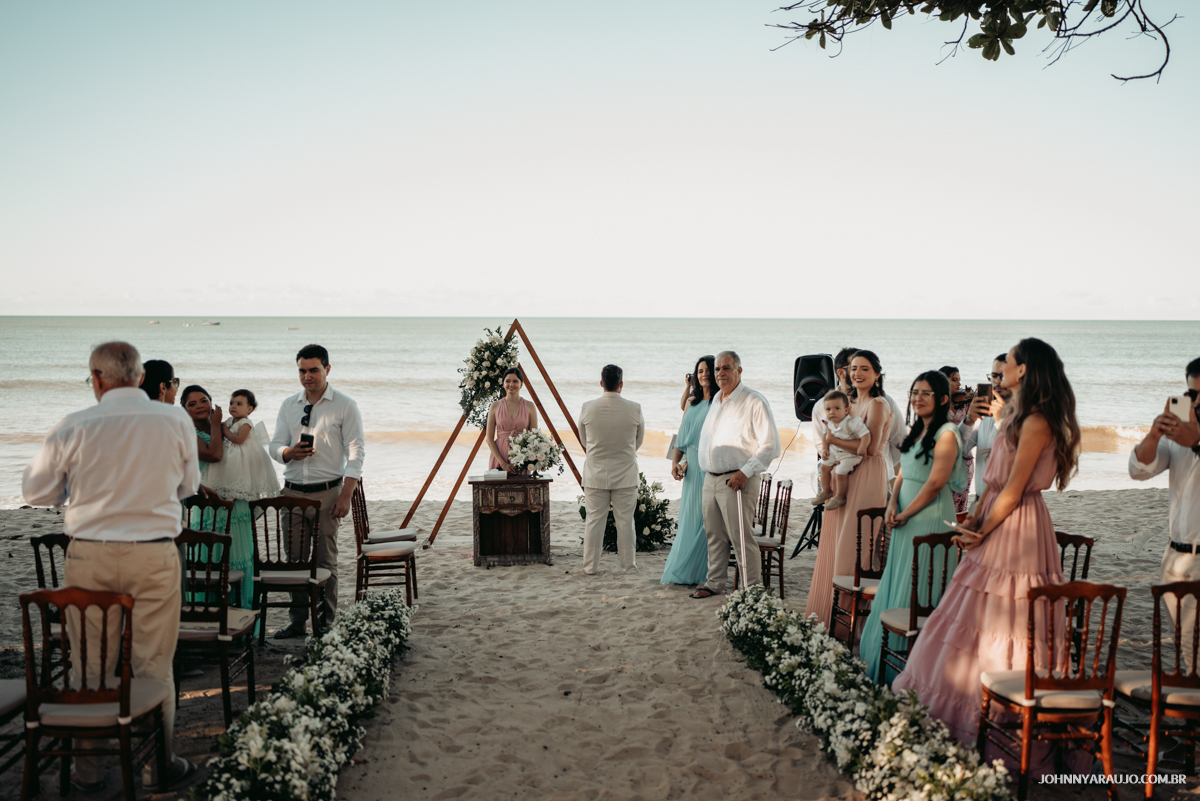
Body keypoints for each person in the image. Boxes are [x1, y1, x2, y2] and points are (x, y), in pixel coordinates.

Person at [893, 338, 1082, 774]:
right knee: (969, 617)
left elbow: (1013, 491)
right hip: (995, 516)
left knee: (1009, 620)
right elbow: (994, 486)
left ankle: (998, 723)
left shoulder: (1037, 421)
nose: (1001, 370)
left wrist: (982, 531)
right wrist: (973, 522)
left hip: (1018, 528)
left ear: (1024, 370)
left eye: (1008, 363)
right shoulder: (1014, 415)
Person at [22, 342, 201, 791]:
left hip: (91, 555)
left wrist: (76, 490)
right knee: (154, 665)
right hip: (154, 554)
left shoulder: (74, 424)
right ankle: (156, 767)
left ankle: (88, 772)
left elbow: (36, 492)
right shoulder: (175, 419)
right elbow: (188, 485)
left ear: (98, 379)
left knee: (89, 664)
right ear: (139, 378)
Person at [860, 370, 966, 684]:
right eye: (914, 392)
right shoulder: (916, 430)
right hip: (904, 517)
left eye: (925, 393)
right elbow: (903, 472)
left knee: (918, 585)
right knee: (898, 578)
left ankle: (913, 669)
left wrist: (906, 513)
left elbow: (935, 483)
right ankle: (885, 661)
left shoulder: (947, 433)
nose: (917, 398)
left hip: (929, 517)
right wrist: (893, 504)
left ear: (943, 399)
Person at [269, 344, 365, 638]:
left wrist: (346, 494)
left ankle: (326, 624)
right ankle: (298, 622)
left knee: (325, 561)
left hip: (328, 494)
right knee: (295, 561)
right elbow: (275, 445)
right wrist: (288, 453)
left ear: (327, 369)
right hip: (292, 493)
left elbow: (356, 452)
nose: (307, 376)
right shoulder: (289, 404)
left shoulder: (345, 405)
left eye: (313, 370)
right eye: (302, 371)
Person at [804, 350, 892, 625]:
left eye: (865, 368)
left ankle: (846, 624)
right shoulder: (848, 403)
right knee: (832, 541)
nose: (858, 373)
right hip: (844, 476)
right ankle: (824, 614)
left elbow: (871, 449)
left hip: (867, 476)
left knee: (852, 547)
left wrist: (833, 441)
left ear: (877, 374)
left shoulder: (878, 404)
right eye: (854, 368)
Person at [690, 351, 781, 599]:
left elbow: (770, 445)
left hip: (737, 480)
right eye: (717, 369)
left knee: (741, 537)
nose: (720, 373)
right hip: (710, 479)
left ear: (739, 371)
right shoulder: (716, 399)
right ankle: (715, 583)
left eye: (726, 368)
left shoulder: (754, 401)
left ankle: (751, 590)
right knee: (714, 535)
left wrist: (744, 472)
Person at [1129, 357, 1200, 667]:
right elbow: (1139, 470)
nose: (1196, 402)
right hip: (1174, 559)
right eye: (1191, 394)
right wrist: (1154, 434)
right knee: (1185, 655)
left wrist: (1197, 440)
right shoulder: (1178, 437)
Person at [205, 389, 281, 609]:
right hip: (231, 459)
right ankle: (226, 492)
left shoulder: (245, 423)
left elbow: (238, 440)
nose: (233, 407)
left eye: (239, 404)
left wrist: (224, 430)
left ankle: (235, 494)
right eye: (231, 402)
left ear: (250, 408)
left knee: (240, 479)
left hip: (242, 458)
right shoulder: (229, 421)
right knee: (226, 477)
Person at [578, 364, 646, 576]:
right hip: (625, 473)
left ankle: (590, 567)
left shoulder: (587, 407)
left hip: (595, 473)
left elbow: (584, 440)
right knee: (625, 522)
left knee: (594, 522)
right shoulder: (635, 408)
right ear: (621, 384)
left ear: (601, 383)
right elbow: (638, 442)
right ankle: (628, 567)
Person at [661, 356, 716, 586]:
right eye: (700, 371)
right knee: (689, 520)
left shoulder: (719, 402)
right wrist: (675, 462)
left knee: (705, 521)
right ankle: (685, 571)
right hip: (691, 471)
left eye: (708, 370)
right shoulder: (692, 402)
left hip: (709, 469)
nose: (704, 374)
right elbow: (682, 435)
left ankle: (702, 572)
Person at [959, 354, 1012, 499]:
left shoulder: (1025, 415)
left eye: (1003, 376)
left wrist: (1001, 421)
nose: (998, 381)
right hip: (981, 498)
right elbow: (961, 451)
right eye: (994, 376)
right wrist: (969, 420)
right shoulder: (985, 413)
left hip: (1008, 500)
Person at [810, 390, 871, 511]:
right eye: (828, 409)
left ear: (846, 410)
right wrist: (825, 449)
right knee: (824, 467)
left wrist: (862, 447)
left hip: (850, 454)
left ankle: (839, 496)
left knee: (840, 472)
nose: (832, 412)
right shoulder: (828, 422)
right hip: (834, 452)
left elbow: (866, 435)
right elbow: (825, 436)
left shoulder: (852, 423)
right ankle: (826, 491)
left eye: (837, 408)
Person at [486, 367, 539, 473]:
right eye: (507, 381)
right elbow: (489, 439)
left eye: (515, 381)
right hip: (499, 456)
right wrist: (502, 463)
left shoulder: (530, 406)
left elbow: (533, 437)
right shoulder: (495, 406)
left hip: (522, 458)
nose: (511, 384)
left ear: (521, 384)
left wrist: (521, 460)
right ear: (503, 383)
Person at [939, 365, 975, 516]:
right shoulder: (937, 403)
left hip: (965, 458)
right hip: (946, 459)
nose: (959, 384)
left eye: (959, 380)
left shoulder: (966, 402)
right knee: (946, 502)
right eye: (954, 380)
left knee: (962, 502)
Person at [180, 385, 224, 477]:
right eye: (192, 404)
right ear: (185, 410)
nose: (199, 406)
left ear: (211, 403)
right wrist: (215, 425)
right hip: (201, 485)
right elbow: (215, 456)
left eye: (204, 401)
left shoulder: (224, 427)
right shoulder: (186, 433)